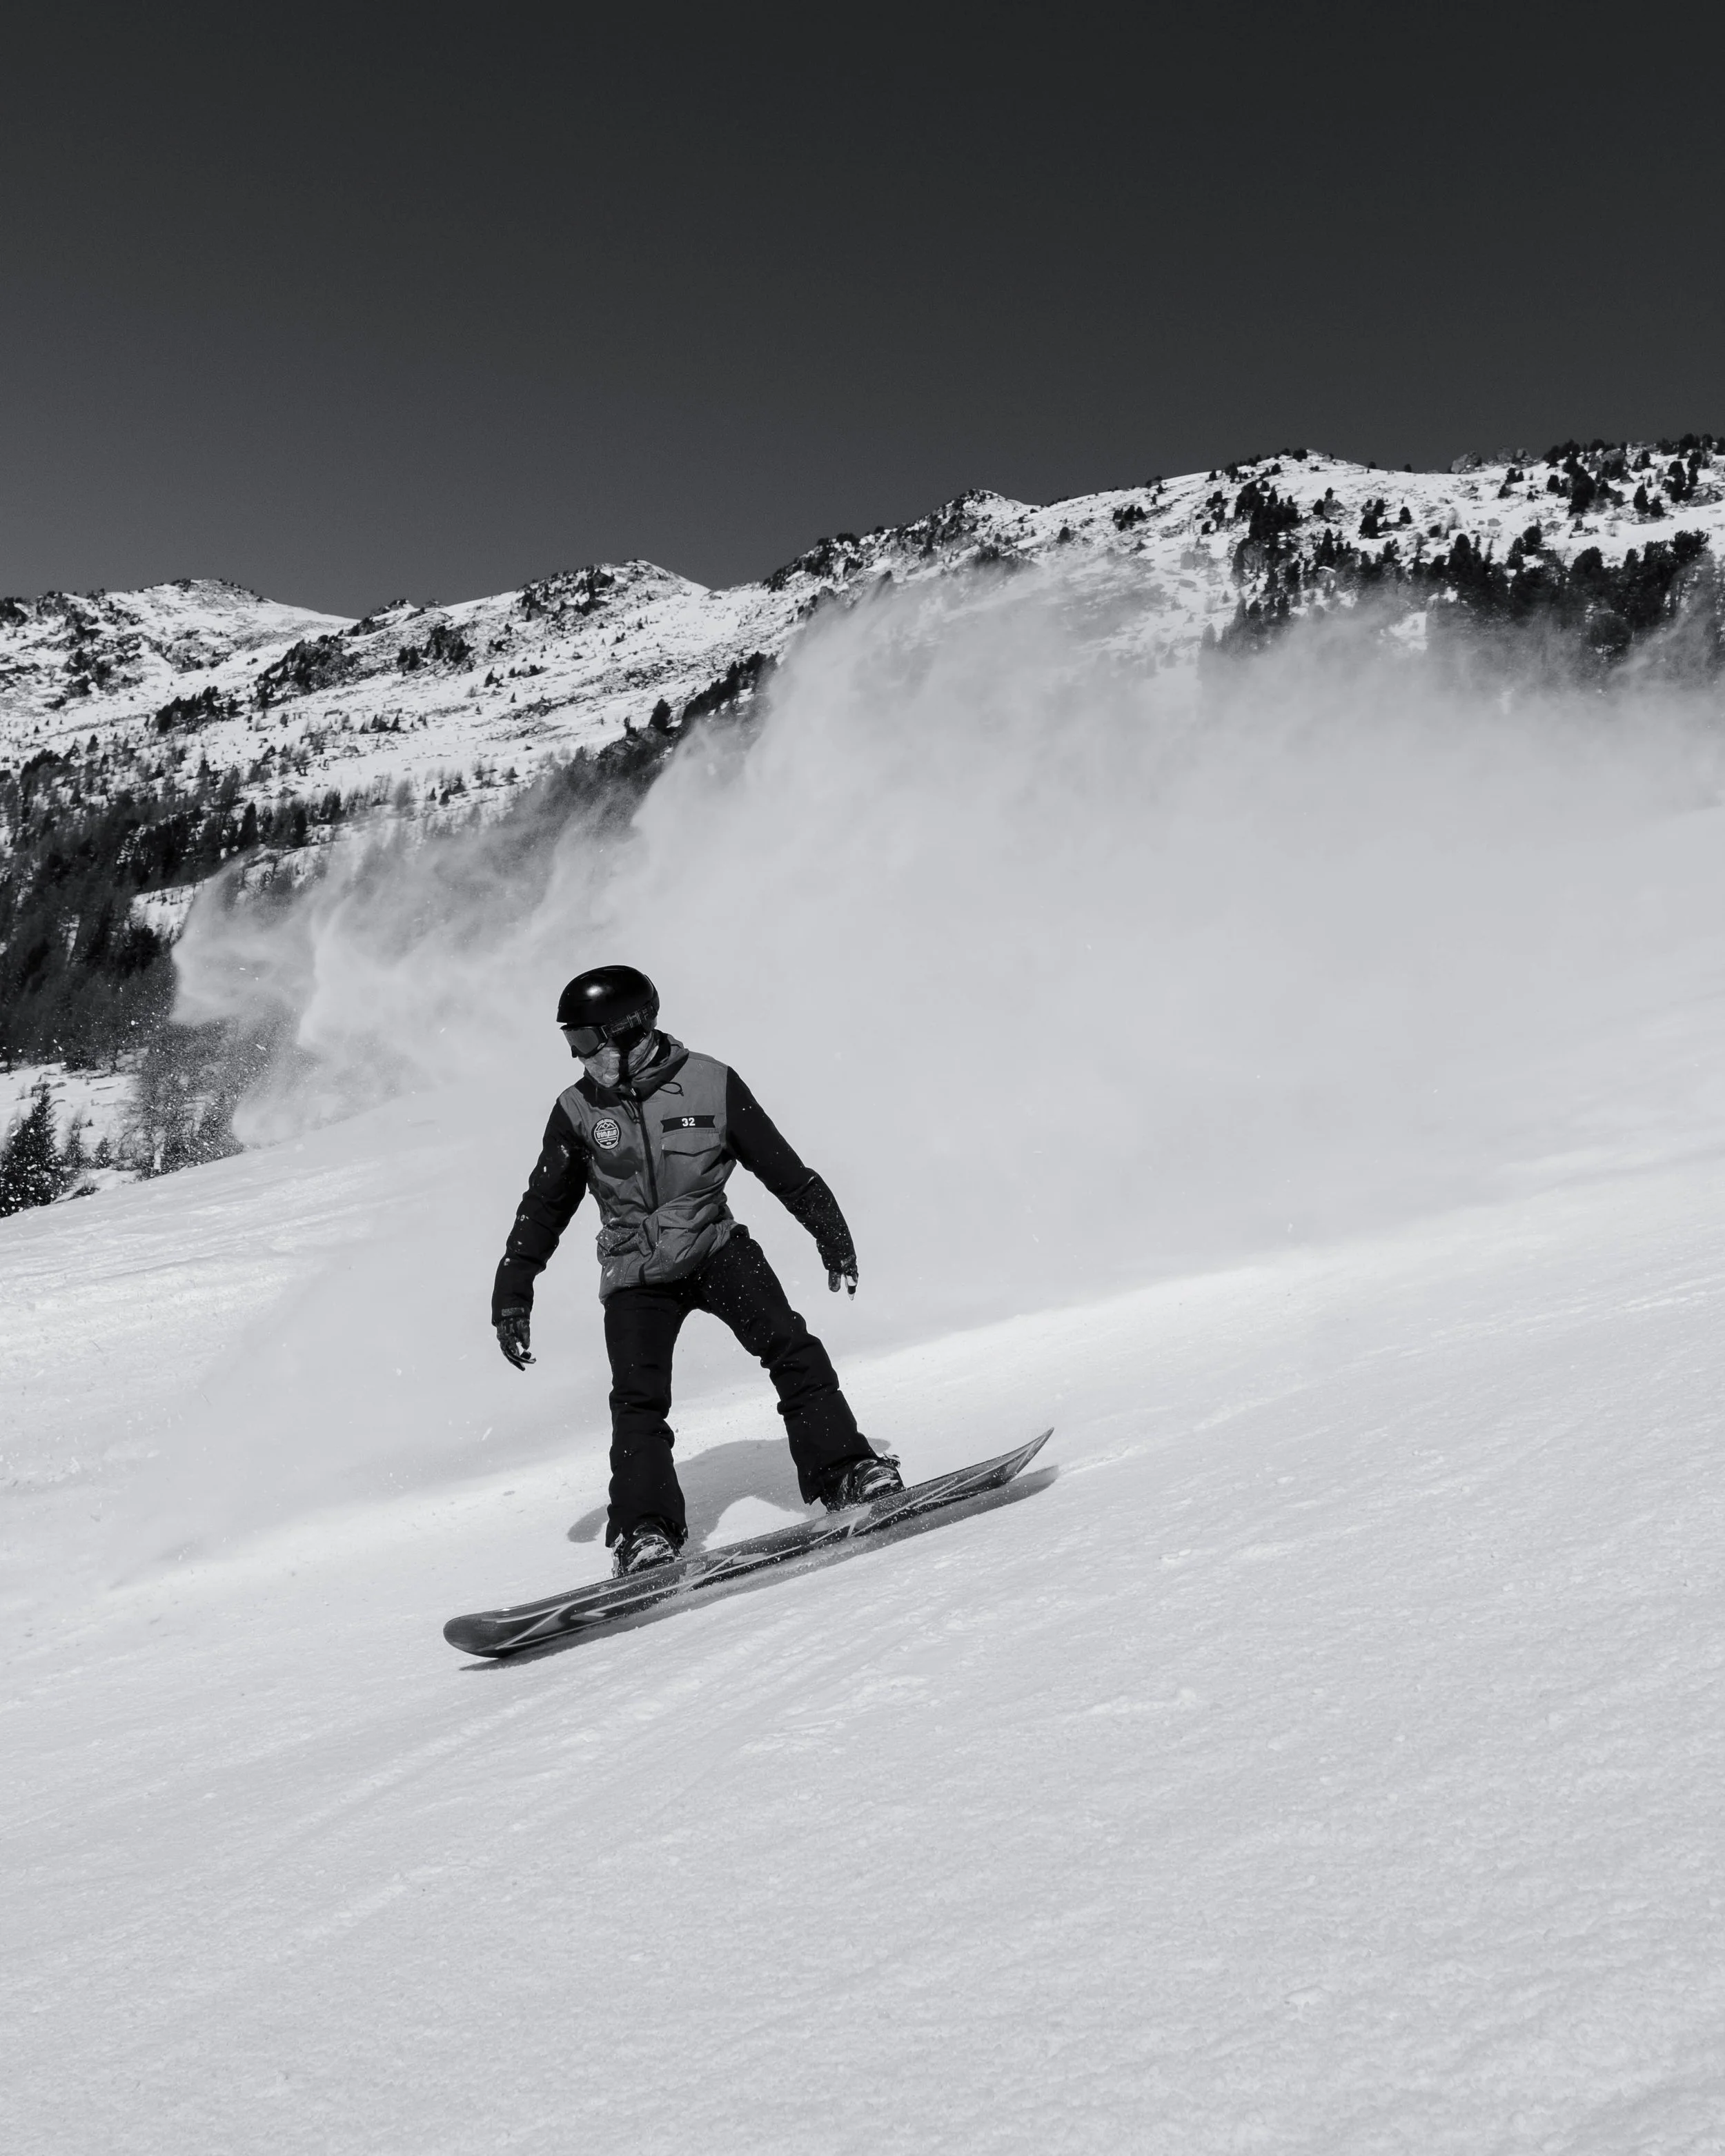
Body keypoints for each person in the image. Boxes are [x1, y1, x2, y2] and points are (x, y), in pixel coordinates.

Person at [492, 963, 902, 1575]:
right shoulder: (577, 1110)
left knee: (793, 1348)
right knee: (637, 1402)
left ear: (631, 1032)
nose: (581, 1060)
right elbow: (545, 1204)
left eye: (587, 1043)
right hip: (634, 1270)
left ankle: (847, 1471)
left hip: (715, 1247)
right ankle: (645, 1533)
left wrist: (828, 1230)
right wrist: (514, 1287)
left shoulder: (711, 1083)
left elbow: (779, 1164)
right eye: (571, 1046)